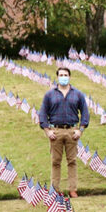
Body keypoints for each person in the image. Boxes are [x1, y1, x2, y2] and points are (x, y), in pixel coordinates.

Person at [39, 66, 89, 199]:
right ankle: (55, 190)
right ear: (57, 77)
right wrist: (47, 131)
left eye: (65, 74)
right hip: (56, 131)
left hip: (72, 131)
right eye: (61, 75)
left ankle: (72, 189)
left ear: (69, 76)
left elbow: (85, 113)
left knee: (72, 161)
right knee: (56, 161)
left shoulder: (77, 94)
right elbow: (43, 114)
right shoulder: (50, 95)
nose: (63, 77)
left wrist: (80, 130)